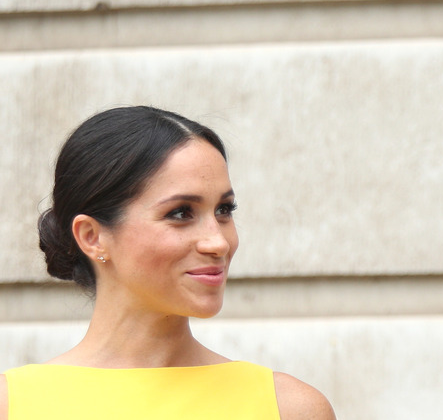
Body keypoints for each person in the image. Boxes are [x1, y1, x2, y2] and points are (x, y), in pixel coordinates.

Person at [0, 106, 336, 420]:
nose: (218, 241)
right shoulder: (13, 405)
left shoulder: (290, 409)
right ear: (91, 236)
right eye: (180, 213)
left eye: (224, 210)